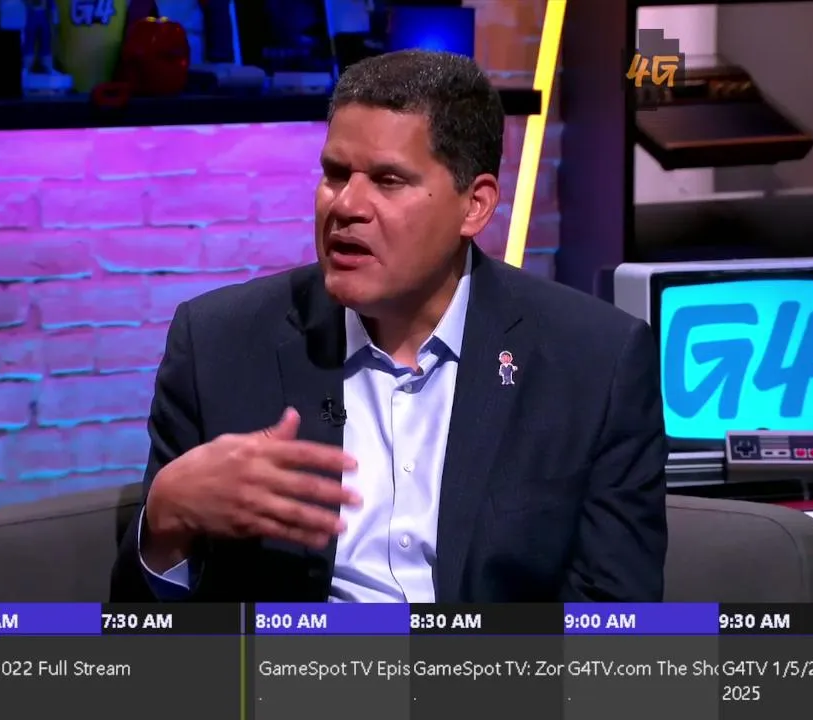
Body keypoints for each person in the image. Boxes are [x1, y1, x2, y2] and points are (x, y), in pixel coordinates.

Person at [111, 50, 668, 603]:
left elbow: (616, 617)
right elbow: (138, 630)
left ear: (475, 206)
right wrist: (165, 521)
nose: (347, 205)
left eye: (388, 180)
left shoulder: (594, 362)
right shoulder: (217, 343)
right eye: (335, 174)